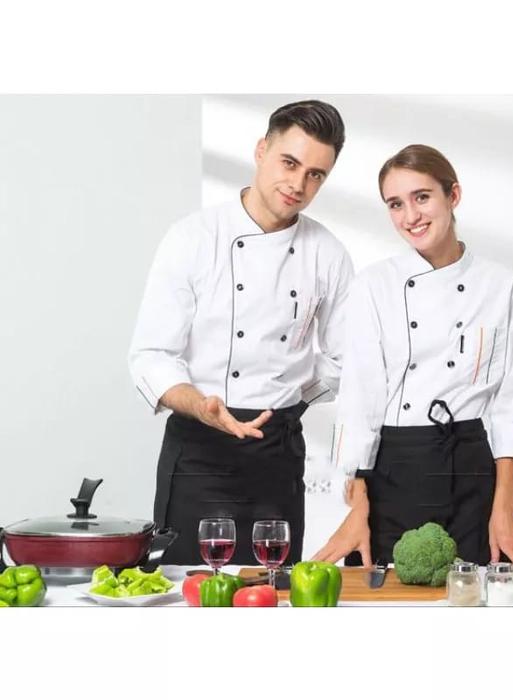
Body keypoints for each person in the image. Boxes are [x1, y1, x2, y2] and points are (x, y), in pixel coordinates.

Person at [129, 100, 354, 565]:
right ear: (261, 150)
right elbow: (151, 354)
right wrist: (201, 406)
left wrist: (291, 400)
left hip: (277, 455)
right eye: (289, 163)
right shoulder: (193, 237)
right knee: (189, 590)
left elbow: (345, 358)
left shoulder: (328, 254)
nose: (298, 184)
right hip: (199, 451)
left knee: (274, 589)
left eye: (315, 174)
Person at [313, 144, 513, 568]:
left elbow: (512, 404)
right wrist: (357, 507)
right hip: (393, 471)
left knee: (478, 594)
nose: (410, 216)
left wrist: (505, 508)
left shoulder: (502, 285)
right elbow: (359, 402)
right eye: (395, 204)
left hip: (472, 470)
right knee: (385, 592)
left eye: (422, 197)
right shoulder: (373, 286)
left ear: (453, 195)